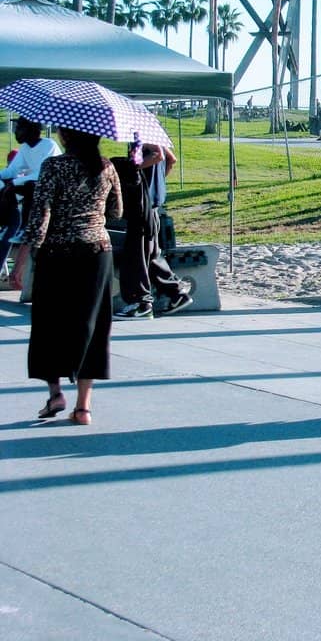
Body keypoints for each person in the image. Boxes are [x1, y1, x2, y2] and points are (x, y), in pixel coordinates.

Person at [12, 126, 122, 426]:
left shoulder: (54, 166)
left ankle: (56, 393)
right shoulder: (106, 167)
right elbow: (116, 211)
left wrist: (23, 260)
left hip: (57, 254)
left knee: (50, 323)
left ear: (66, 136)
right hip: (97, 252)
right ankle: (84, 406)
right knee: (93, 325)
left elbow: (40, 215)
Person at [114, 143, 193, 320]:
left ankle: (140, 303)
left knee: (135, 257)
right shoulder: (153, 136)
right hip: (153, 206)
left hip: (143, 208)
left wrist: (133, 167)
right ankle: (176, 293)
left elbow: (159, 156)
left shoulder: (143, 138)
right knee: (151, 255)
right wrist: (156, 184)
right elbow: (171, 159)